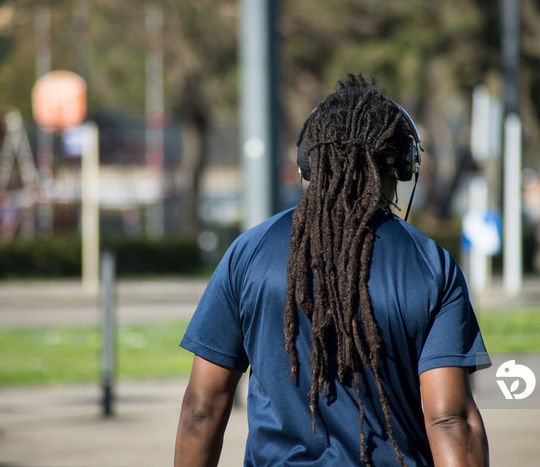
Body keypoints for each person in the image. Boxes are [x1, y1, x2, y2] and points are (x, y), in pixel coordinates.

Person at [175, 73, 490, 467]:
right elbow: (449, 419)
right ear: (403, 164)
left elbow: (202, 408)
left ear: (309, 161)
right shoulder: (431, 265)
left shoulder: (249, 254)